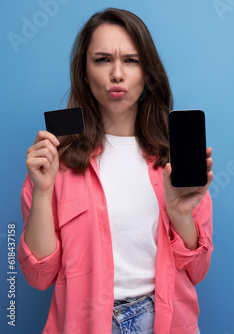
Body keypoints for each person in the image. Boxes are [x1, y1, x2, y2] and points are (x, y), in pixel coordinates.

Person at [18, 8, 213, 334]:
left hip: (165, 322)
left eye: (132, 61)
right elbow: (38, 277)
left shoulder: (173, 158)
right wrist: (42, 190)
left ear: (148, 75)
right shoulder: (57, 161)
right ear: (83, 72)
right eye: (102, 59)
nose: (117, 74)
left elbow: (196, 271)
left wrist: (180, 216)